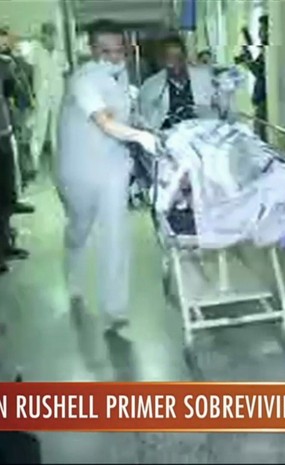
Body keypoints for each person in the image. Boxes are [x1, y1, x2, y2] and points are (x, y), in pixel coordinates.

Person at [55, 19, 159, 332]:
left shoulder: (121, 76)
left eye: (119, 50)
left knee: (116, 235)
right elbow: (104, 122)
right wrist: (140, 137)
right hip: (79, 169)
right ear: (91, 50)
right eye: (106, 51)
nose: (114, 57)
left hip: (114, 166)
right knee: (80, 228)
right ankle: (72, 267)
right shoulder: (83, 80)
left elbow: (124, 115)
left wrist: (141, 126)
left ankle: (115, 307)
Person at [138, 35, 216, 131]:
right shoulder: (151, 86)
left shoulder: (203, 76)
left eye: (178, 58)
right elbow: (146, 120)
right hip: (169, 135)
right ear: (162, 60)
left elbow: (217, 107)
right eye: (170, 58)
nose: (175, 63)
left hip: (203, 131)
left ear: (185, 56)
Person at [0, 43, 30, 275]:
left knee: (6, 195)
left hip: (3, 133)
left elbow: (15, 94)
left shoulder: (3, 64)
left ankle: (5, 245)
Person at [29, 22, 65, 176]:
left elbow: (64, 69)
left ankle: (57, 163)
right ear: (44, 35)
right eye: (49, 35)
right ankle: (34, 163)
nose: (51, 38)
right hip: (41, 95)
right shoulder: (35, 51)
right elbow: (29, 68)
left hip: (57, 95)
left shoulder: (60, 53)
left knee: (56, 129)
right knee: (39, 129)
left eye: (53, 35)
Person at [234, 15, 268, 141]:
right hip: (260, 100)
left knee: (261, 137)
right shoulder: (263, 49)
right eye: (259, 30)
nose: (260, 33)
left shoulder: (270, 51)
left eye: (263, 29)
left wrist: (247, 60)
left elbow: (260, 72)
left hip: (265, 101)